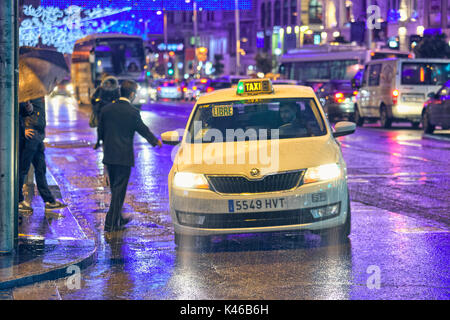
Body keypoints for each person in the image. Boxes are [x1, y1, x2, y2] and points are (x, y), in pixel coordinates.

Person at [98, 80, 162, 232]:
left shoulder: (107, 110)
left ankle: (118, 218)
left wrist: (99, 143)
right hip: (123, 158)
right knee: (119, 191)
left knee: (116, 190)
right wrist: (155, 141)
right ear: (132, 94)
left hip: (109, 156)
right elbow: (143, 130)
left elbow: (100, 131)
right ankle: (111, 223)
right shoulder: (132, 112)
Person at [18, 97, 66, 212]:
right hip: (30, 135)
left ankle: (49, 200)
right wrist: (23, 129)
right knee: (22, 169)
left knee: (41, 169)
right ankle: (18, 201)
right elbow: (18, 113)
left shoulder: (38, 93)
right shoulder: (27, 93)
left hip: (38, 136)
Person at [91, 75, 120, 149]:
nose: (108, 85)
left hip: (112, 111)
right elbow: (93, 98)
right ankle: (98, 141)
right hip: (101, 111)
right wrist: (96, 101)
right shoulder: (100, 89)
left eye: (109, 83)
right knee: (100, 127)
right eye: (106, 83)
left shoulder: (116, 90)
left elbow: (118, 99)